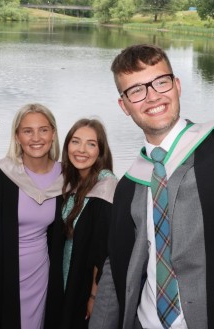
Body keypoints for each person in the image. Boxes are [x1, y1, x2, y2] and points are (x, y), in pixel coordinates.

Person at [89, 43, 214, 329]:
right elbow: (116, 265)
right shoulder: (129, 184)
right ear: (124, 105)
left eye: (161, 82)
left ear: (177, 85)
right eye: (136, 90)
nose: (152, 96)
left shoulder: (211, 151)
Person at [0, 103, 63, 329]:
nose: (36, 137)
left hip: (41, 273)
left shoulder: (66, 176)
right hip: (3, 272)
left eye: (43, 129)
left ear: (53, 134)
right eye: (27, 131)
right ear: (17, 136)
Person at [44, 118, 117, 329]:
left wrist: (94, 296)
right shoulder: (69, 181)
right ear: (67, 146)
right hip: (63, 277)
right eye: (76, 141)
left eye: (91, 144)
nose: (81, 150)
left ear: (100, 151)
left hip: (84, 284)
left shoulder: (107, 188)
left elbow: (103, 252)